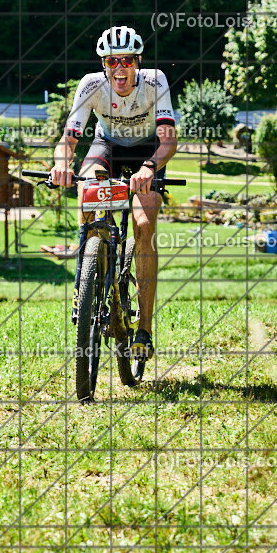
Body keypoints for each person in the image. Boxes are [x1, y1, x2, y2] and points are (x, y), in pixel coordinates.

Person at [49, 26, 178, 361]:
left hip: (148, 150)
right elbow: (69, 140)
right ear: (104, 64)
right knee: (86, 189)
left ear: (137, 61)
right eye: (111, 61)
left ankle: (144, 329)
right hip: (107, 146)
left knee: (144, 225)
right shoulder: (92, 85)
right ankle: (88, 273)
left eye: (126, 61)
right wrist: (63, 164)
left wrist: (149, 168)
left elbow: (168, 140)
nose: (119, 68)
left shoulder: (155, 81)